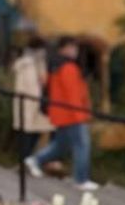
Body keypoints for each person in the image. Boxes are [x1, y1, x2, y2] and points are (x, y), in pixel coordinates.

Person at [24, 37, 96, 190]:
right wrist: (82, 116)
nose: (74, 51)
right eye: (71, 47)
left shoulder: (55, 66)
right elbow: (73, 95)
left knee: (61, 145)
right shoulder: (68, 67)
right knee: (82, 144)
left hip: (61, 113)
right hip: (72, 115)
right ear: (63, 49)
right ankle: (81, 179)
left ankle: (35, 160)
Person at [11, 36, 52, 165]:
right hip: (29, 104)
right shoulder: (27, 64)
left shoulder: (39, 63)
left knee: (35, 132)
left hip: (36, 105)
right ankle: (25, 162)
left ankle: (28, 162)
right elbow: (30, 86)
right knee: (27, 134)